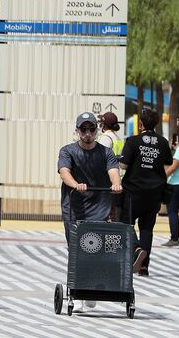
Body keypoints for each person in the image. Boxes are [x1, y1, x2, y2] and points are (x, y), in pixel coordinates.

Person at [57, 112, 122, 285]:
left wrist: (116, 184)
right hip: (74, 208)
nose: (87, 133)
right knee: (77, 249)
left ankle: (91, 286)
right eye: (83, 129)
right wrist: (75, 184)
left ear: (97, 130)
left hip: (99, 207)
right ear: (77, 130)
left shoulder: (106, 152)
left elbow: (114, 172)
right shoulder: (67, 151)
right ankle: (78, 287)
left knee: (97, 248)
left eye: (91, 129)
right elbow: (64, 172)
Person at [119, 108, 173, 276]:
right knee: (147, 228)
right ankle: (144, 267)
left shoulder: (133, 141)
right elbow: (166, 165)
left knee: (126, 222)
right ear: (155, 124)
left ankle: (136, 249)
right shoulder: (163, 142)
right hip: (155, 193)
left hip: (133, 191)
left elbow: (123, 166)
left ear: (140, 123)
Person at [163, 115, 179, 246]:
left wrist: (162, 176)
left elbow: (174, 167)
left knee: (173, 211)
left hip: (175, 184)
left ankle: (174, 239)